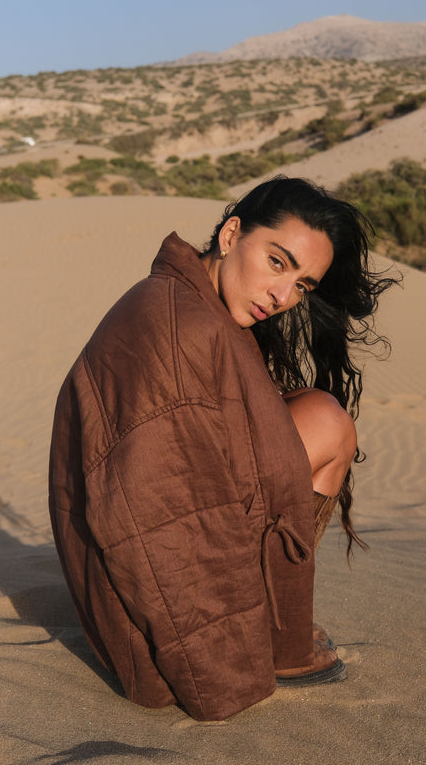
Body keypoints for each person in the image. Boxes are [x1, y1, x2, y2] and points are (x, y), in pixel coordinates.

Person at [49, 176, 395, 722]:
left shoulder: (184, 297)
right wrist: (226, 660)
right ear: (232, 235)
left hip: (118, 558)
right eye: (277, 262)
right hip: (135, 615)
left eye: (302, 286)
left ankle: (275, 618)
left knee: (316, 411)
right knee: (328, 425)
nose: (283, 296)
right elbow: (167, 515)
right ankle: (278, 639)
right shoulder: (180, 324)